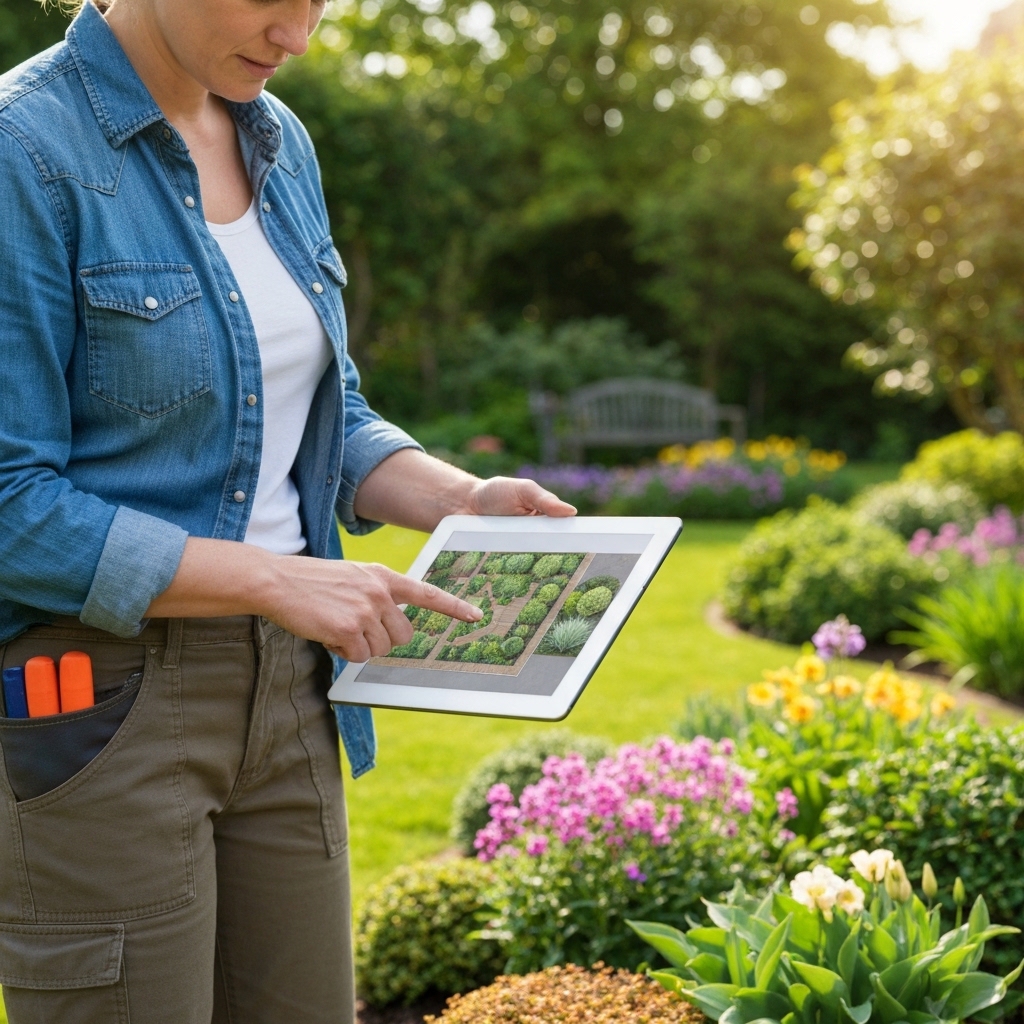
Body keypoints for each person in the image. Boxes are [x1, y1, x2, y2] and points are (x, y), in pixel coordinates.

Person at [0, 1, 574, 1020]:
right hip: (100, 699)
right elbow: (11, 508)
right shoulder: (21, 150)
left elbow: (317, 410)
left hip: (297, 695)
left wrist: (460, 497)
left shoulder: (277, 136)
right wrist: (278, 577)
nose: (299, 33)